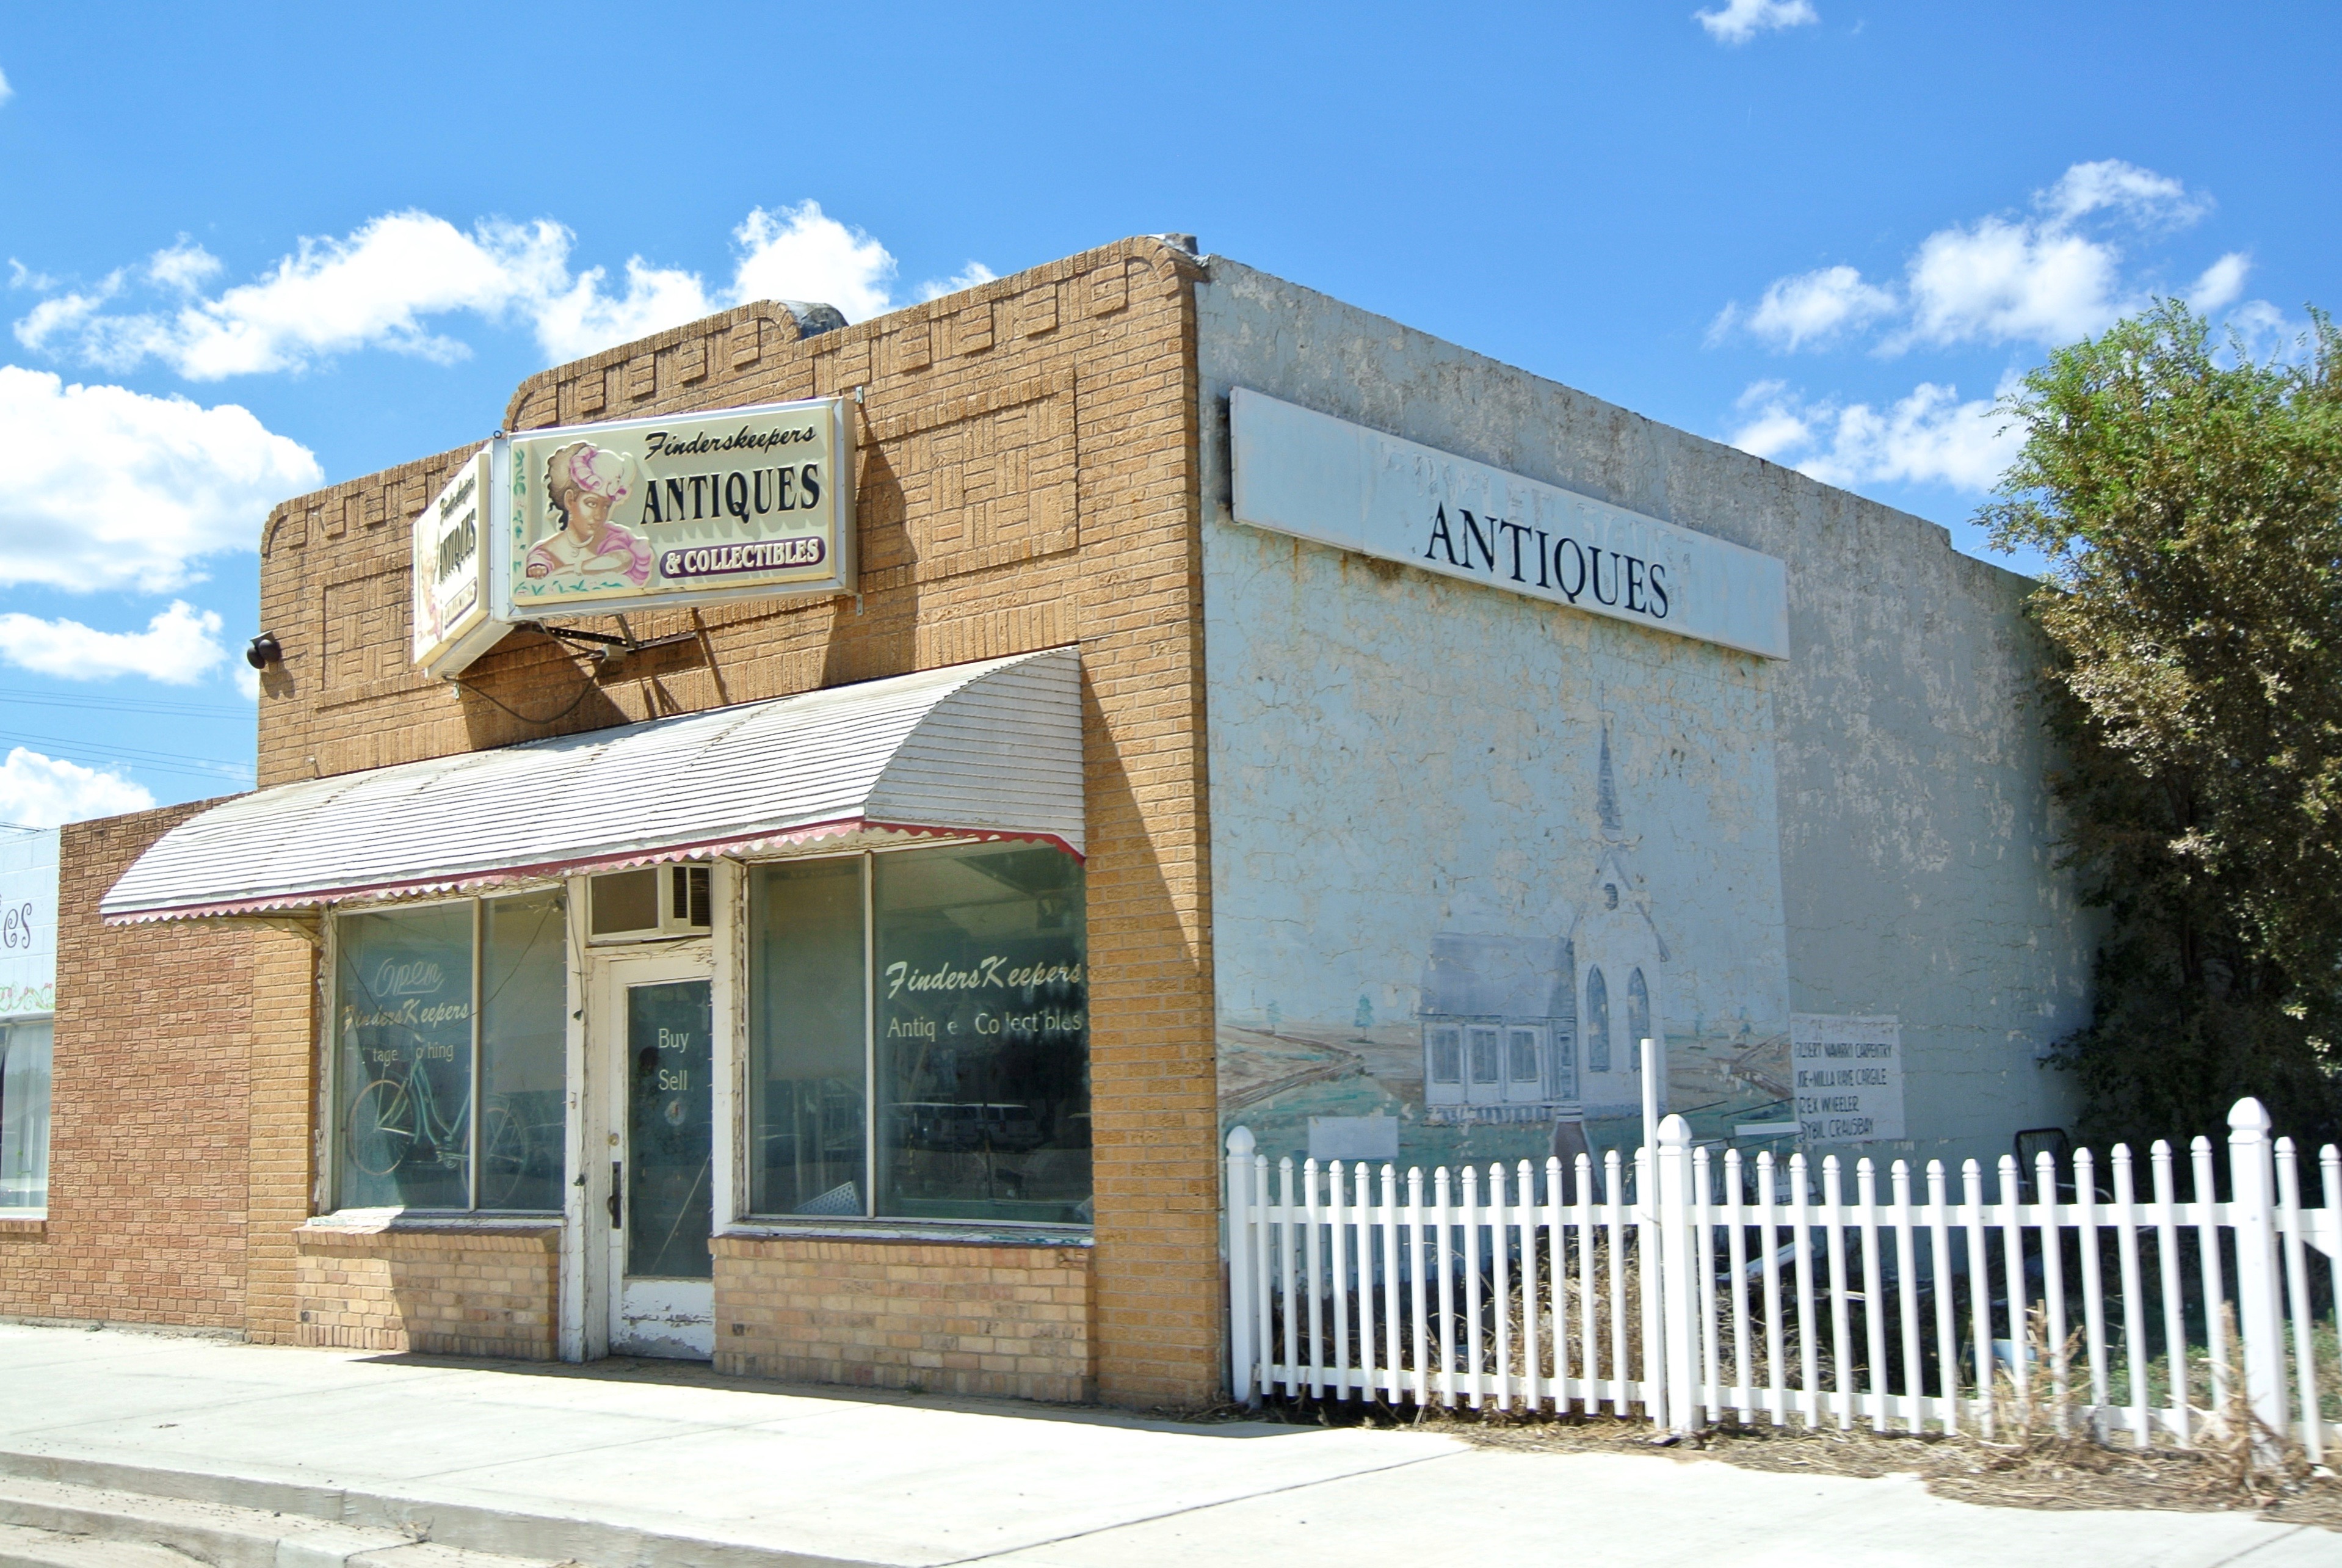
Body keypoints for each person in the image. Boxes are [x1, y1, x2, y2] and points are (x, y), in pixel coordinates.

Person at [524, 442, 651, 587]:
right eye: (591, 503)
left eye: (606, 506)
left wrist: (569, 570)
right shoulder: (548, 551)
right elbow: (536, 566)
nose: (599, 515)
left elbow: (622, 559)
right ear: (570, 500)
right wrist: (538, 568)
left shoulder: (612, 539)